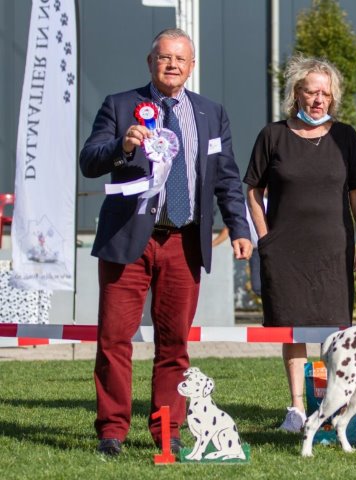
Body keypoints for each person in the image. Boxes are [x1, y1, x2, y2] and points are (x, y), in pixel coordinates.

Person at [79, 28, 253, 456]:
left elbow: (226, 177)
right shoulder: (120, 106)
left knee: (174, 345)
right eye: (164, 57)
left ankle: (167, 430)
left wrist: (240, 228)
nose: (172, 65)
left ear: (192, 66)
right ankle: (112, 432)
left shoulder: (212, 113)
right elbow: (89, 160)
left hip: (184, 242)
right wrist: (122, 146)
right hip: (127, 240)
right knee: (114, 340)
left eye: (181, 59)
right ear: (150, 62)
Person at [243, 55, 356, 433]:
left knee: (334, 333)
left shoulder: (345, 136)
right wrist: (264, 236)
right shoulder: (273, 135)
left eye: (325, 93)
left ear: (333, 98)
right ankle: (297, 409)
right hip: (284, 251)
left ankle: (331, 407)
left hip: (333, 250)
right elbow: (253, 189)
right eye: (310, 91)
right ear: (295, 94)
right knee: (292, 330)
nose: (318, 99)